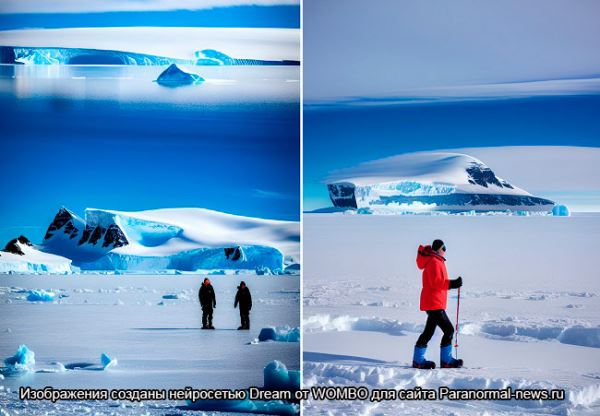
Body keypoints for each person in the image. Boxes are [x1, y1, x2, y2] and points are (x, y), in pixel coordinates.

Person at [412, 239, 463, 369]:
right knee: (449, 330)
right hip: (434, 303)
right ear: (439, 249)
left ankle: (418, 360)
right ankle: (446, 361)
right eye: (444, 247)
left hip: (434, 302)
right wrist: (453, 283)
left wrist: (452, 283)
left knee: (428, 332)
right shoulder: (434, 262)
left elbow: (438, 282)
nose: (445, 250)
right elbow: (436, 282)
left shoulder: (435, 261)